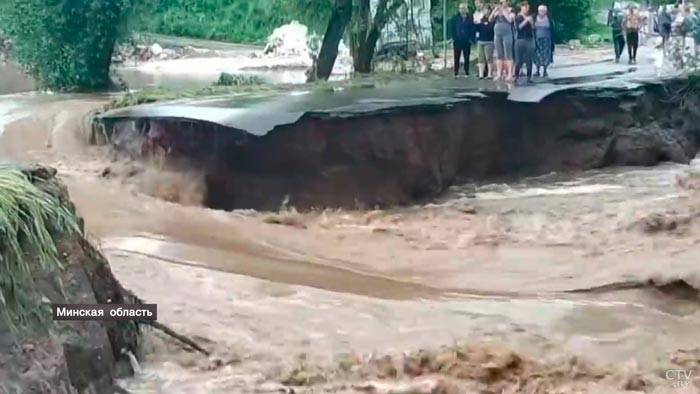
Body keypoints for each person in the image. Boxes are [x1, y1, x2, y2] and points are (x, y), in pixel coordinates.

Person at [490, 0, 516, 81]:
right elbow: (490, 20)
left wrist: (503, 11)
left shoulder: (511, 10)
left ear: (507, 2)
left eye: (503, 2)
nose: (501, 4)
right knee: (499, 54)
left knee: (508, 54)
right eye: (500, 2)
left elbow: (510, 20)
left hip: (507, 34)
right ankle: (499, 74)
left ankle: (510, 74)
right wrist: (494, 11)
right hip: (497, 34)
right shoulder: (497, 11)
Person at [451, 3, 476, 78]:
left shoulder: (470, 18)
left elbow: (473, 29)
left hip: (466, 40)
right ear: (459, 9)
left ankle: (467, 72)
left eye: (463, 8)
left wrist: (471, 39)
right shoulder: (455, 18)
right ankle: (456, 72)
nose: (462, 10)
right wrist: (453, 38)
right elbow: (452, 28)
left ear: (466, 9)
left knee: (467, 57)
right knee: (456, 57)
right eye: (461, 8)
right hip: (457, 40)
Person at [514, 1, 535, 84]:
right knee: (519, 60)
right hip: (520, 39)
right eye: (525, 8)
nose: (527, 9)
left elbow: (533, 28)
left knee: (529, 59)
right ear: (522, 7)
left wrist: (531, 22)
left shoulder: (530, 17)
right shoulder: (518, 17)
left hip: (529, 39)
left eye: (528, 8)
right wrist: (526, 20)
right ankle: (516, 76)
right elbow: (519, 27)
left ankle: (529, 77)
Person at [533, 4, 555, 77]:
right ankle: (537, 70)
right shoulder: (534, 18)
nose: (541, 12)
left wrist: (552, 42)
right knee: (537, 55)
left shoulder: (549, 19)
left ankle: (545, 70)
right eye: (540, 11)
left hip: (547, 40)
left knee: (546, 55)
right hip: (537, 39)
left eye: (543, 11)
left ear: (545, 12)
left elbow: (552, 30)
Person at [477, 4, 496, 78]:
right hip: (481, 40)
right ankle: (481, 74)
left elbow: (491, 29)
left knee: (489, 58)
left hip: (489, 41)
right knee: (481, 58)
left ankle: (490, 74)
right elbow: (477, 28)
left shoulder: (492, 19)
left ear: (489, 11)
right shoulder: (481, 19)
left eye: (485, 10)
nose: (484, 11)